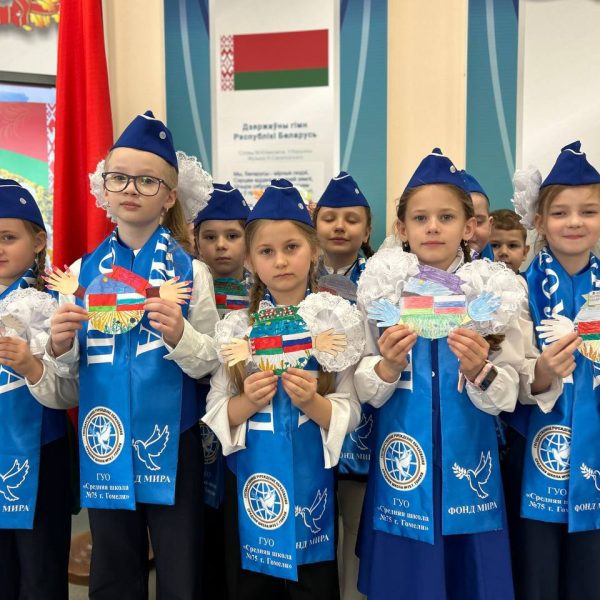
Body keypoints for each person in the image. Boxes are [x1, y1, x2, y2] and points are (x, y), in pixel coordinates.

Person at [45, 111, 219, 600]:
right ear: (104, 187)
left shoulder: (191, 273)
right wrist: (59, 346)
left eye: (147, 181)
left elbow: (212, 362)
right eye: (118, 177)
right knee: (113, 569)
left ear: (170, 196)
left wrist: (181, 335)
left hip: (174, 440)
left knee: (181, 569)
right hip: (104, 437)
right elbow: (67, 379)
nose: (130, 189)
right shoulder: (80, 273)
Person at [355, 148, 526, 600]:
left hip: (469, 468)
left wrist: (480, 370)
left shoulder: (491, 293)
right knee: (405, 583)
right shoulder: (382, 292)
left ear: (469, 227)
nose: (433, 227)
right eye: (421, 218)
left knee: (470, 581)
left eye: (446, 217)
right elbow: (364, 386)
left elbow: (509, 394)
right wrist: (387, 366)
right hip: (402, 468)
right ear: (402, 229)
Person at [203, 179, 362, 600]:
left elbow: (351, 410)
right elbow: (216, 407)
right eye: (266, 251)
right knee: (251, 587)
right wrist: (245, 402)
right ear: (251, 260)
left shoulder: (333, 324)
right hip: (251, 487)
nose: (280, 261)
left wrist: (312, 401)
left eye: (291, 247)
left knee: (314, 586)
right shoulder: (238, 329)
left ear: (313, 251)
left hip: (313, 489)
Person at [508, 141, 600, 599]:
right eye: (561, 213)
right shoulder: (516, 290)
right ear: (540, 222)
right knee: (536, 575)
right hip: (530, 452)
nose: (575, 222)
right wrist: (542, 371)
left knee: (590, 572)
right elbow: (508, 378)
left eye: (589, 211)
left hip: (596, 452)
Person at [0, 179, 71, 599]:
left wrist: (30, 365)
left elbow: (68, 388)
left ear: (39, 241)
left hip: (41, 452)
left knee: (40, 573)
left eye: (8, 237)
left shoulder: (53, 305)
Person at [313, 171, 373, 600]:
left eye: (351, 220)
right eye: (329, 218)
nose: (340, 227)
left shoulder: (380, 281)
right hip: (305, 417)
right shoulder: (296, 275)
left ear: (367, 231)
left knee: (354, 527)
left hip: (360, 423)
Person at [193, 181, 251, 599]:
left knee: (235, 519)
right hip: (193, 412)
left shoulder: (263, 296)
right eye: (210, 237)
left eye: (232, 235)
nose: (221, 246)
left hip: (243, 419)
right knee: (198, 523)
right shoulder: (186, 289)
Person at [461, 170, 494, 260]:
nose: (470, 230)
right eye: (462, 222)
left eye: (478, 222)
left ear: (490, 225)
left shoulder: (498, 268)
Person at [489, 208, 529, 273]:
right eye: (495, 245)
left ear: (524, 253)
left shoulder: (532, 279)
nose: (504, 252)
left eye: (512, 246)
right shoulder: (471, 278)